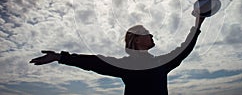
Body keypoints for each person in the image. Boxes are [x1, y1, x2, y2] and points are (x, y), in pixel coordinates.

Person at [30, 16, 205, 95]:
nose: (152, 35)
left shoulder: (161, 62)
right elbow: (94, 62)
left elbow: (184, 49)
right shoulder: (126, 65)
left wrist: (198, 23)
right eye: (146, 33)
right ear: (136, 40)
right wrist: (60, 57)